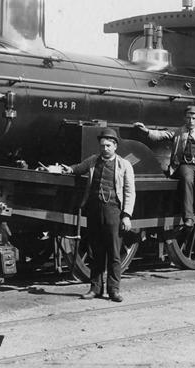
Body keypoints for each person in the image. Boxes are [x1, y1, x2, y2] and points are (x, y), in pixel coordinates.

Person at [60, 128, 135, 302]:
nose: (105, 148)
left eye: (108, 145)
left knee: (114, 252)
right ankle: (95, 288)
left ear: (115, 146)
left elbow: (130, 191)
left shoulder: (124, 165)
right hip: (94, 210)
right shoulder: (93, 160)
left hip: (114, 211)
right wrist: (67, 169)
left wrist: (126, 215)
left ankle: (114, 290)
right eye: (102, 145)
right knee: (95, 252)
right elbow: (78, 169)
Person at [134, 105, 195, 252]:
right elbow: (161, 135)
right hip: (184, 165)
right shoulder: (179, 132)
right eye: (188, 117)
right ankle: (188, 218)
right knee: (187, 180)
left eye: (193, 118)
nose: (191, 120)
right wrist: (147, 131)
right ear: (184, 118)